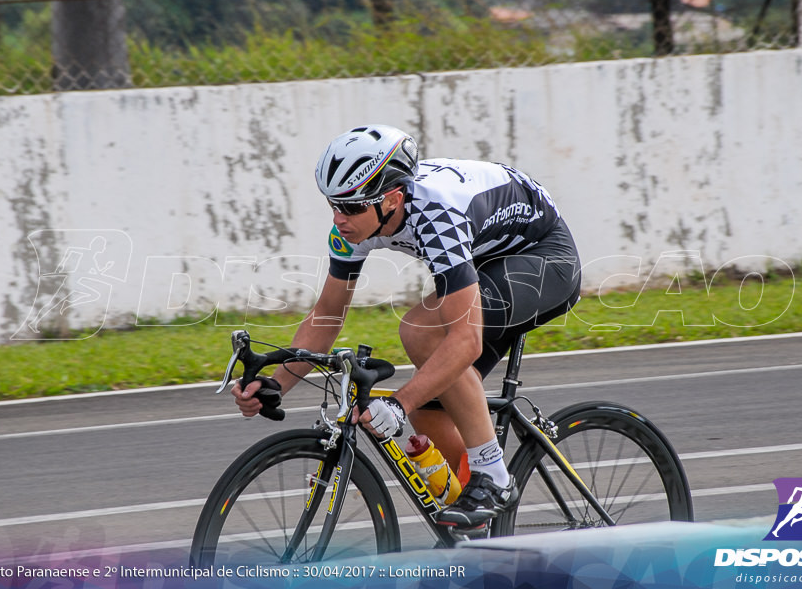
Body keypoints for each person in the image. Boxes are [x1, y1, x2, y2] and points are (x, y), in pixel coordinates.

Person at [232, 124, 582, 529]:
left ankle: (494, 477)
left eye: (350, 207)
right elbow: (328, 314)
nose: (339, 218)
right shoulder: (355, 224)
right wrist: (279, 383)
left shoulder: (437, 216)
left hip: (542, 257)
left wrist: (398, 404)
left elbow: (465, 341)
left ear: (393, 199)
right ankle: (475, 519)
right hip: (487, 256)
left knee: (420, 331)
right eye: (333, 204)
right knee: (431, 405)